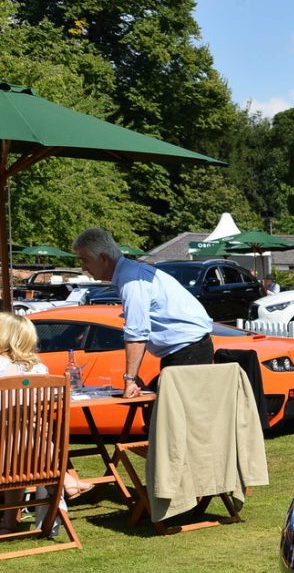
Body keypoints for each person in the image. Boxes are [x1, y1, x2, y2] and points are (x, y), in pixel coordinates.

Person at [72, 227, 214, 398]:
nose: (83, 267)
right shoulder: (131, 274)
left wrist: (129, 379)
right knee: (170, 416)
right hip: (187, 350)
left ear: (103, 258)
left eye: (85, 260)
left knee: (176, 418)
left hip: (188, 351)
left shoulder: (131, 280)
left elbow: (137, 332)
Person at [0, 312, 92, 529]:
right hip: (27, 459)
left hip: (6, 456)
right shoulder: (39, 370)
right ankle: (65, 478)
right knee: (26, 428)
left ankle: (10, 522)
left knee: (19, 429)